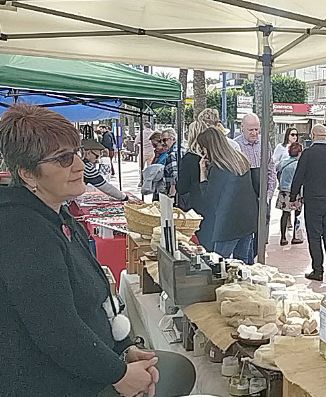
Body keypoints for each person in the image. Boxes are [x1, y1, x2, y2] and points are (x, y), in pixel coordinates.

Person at [0, 104, 161, 397]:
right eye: (63, 159)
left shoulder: (57, 214)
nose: (78, 164)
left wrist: (122, 351)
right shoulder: (21, 230)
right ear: (28, 174)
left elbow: (94, 300)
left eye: (76, 151)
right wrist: (119, 373)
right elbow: (57, 329)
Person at [291, 124, 326, 281]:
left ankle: (318, 270)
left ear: (312, 135)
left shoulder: (308, 154)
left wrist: (293, 196)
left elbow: (299, 176)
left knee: (314, 235)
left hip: (313, 199)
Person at [196, 127, 258, 262]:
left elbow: (209, 199)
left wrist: (202, 173)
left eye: (203, 149)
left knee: (218, 262)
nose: (203, 152)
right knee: (244, 264)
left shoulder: (218, 167)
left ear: (209, 147)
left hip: (227, 224)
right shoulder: (240, 159)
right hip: (247, 219)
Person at [235, 113, 277, 261]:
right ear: (242, 128)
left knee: (261, 235)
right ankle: (247, 262)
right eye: (250, 130)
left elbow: (271, 170)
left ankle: (253, 258)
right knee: (245, 234)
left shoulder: (265, 144)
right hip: (244, 198)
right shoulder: (236, 145)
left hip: (263, 197)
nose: (254, 133)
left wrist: (268, 195)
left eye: (256, 129)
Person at [275, 142, 304, 246]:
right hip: (296, 193)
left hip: (283, 191)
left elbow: (277, 171)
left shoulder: (283, 162)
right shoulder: (299, 165)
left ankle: (283, 237)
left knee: (285, 214)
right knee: (297, 214)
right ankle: (295, 236)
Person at [161, 128, 179, 199]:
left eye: (165, 140)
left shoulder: (172, 154)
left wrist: (171, 194)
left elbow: (175, 176)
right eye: (161, 140)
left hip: (174, 194)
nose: (162, 143)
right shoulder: (181, 149)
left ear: (173, 139)